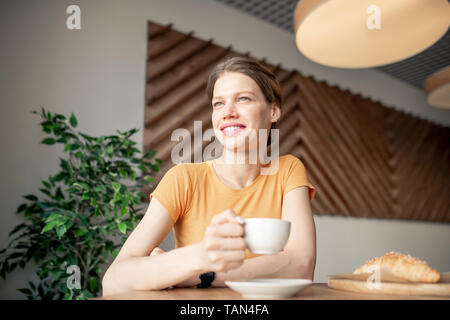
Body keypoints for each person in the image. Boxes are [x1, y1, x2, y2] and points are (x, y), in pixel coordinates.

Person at [101, 56, 316, 296]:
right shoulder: (183, 179)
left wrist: (199, 274)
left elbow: (301, 265)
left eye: (243, 99)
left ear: (273, 111)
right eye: (218, 103)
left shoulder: (288, 170)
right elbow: (114, 281)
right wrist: (200, 255)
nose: (228, 113)